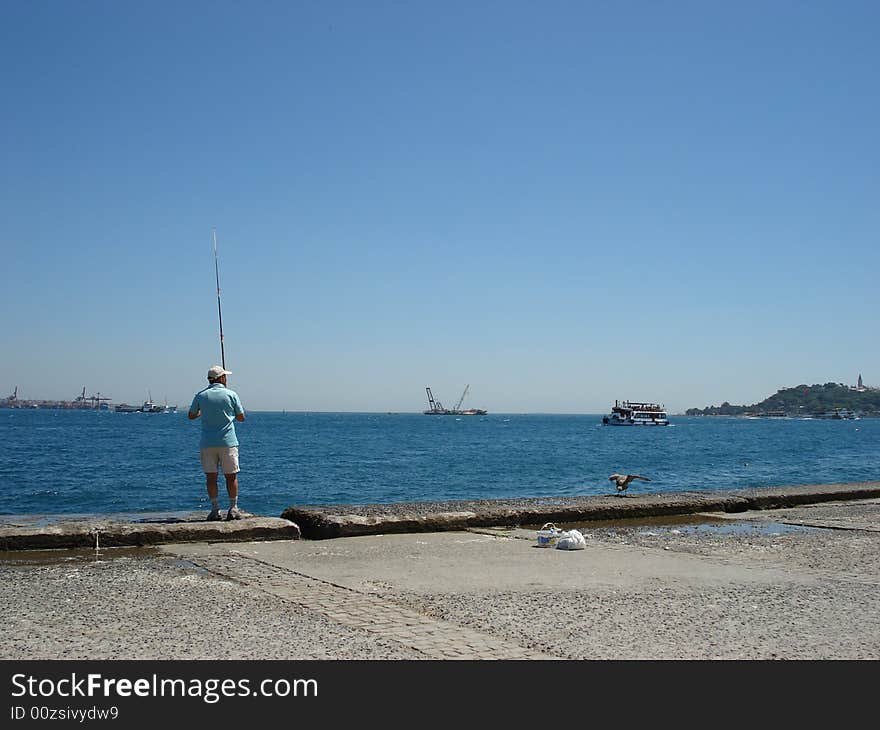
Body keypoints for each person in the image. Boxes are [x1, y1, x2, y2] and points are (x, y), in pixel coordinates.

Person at [188, 365, 246, 521]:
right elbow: (241, 418)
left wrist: (204, 412)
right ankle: (233, 509)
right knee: (231, 476)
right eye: (225, 376)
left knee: (211, 477)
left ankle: (215, 510)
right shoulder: (231, 394)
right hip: (228, 441)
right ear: (222, 378)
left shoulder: (201, 395)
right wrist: (229, 413)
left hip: (207, 442)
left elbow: (192, 415)